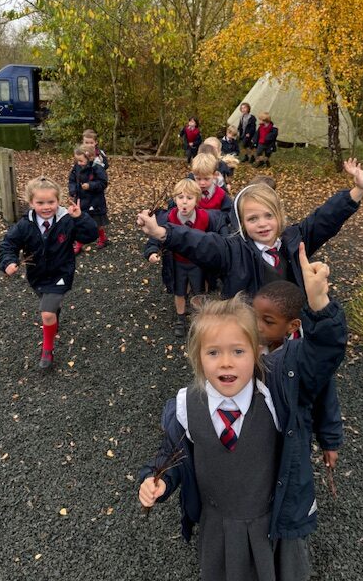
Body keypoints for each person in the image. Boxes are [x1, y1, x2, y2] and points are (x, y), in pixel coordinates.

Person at [138, 244, 347, 581]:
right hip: (218, 525)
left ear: (257, 352)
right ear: (197, 358)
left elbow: (323, 355)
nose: (226, 362)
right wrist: (155, 480)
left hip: (272, 521)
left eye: (238, 351)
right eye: (213, 352)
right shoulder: (185, 406)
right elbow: (171, 455)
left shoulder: (277, 390)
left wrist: (319, 306)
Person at [137, 158, 363, 298]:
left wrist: (357, 191)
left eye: (269, 215)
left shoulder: (294, 240)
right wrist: (161, 232)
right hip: (249, 331)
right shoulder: (233, 250)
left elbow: (324, 219)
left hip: (288, 326)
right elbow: (200, 242)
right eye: (253, 218)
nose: (263, 223)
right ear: (242, 223)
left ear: (279, 215)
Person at [0, 176, 98, 369]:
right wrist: (8, 261)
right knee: (49, 307)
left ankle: (47, 350)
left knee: (46, 313)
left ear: (58, 200)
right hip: (37, 275)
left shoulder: (67, 220)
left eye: (51, 202)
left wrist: (80, 217)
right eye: (40, 202)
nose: (46, 207)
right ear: (31, 203)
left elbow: (90, 235)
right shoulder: (25, 224)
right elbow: (8, 244)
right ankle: (54, 313)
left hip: (61, 273)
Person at [253, 281, 342, 470]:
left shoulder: (306, 361)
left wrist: (329, 442)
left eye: (268, 321)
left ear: (293, 326)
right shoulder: (245, 349)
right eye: (253, 317)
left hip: (292, 440)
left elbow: (326, 397)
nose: (257, 326)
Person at [145, 178, 228, 338]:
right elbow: (155, 236)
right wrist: (152, 251)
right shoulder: (168, 218)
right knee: (180, 291)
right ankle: (181, 319)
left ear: (197, 200)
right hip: (177, 263)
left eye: (189, 198)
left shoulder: (205, 217)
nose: (184, 202)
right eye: (180, 197)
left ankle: (199, 318)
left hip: (198, 263)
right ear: (174, 199)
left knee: (199, 291)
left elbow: (218, 234)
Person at [69, 146, 109, 253]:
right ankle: (79, 243)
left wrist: (90, 185)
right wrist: (73, 190)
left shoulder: (97, 168)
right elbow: (72, 180)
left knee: (97, 222)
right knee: (80, 220)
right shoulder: (76, 167)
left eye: (81, 160)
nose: (79, 163)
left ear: (89, 158)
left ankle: (102, 238)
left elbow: (103, 183)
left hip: (95, 200)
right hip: (81, 199)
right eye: (77, 160)